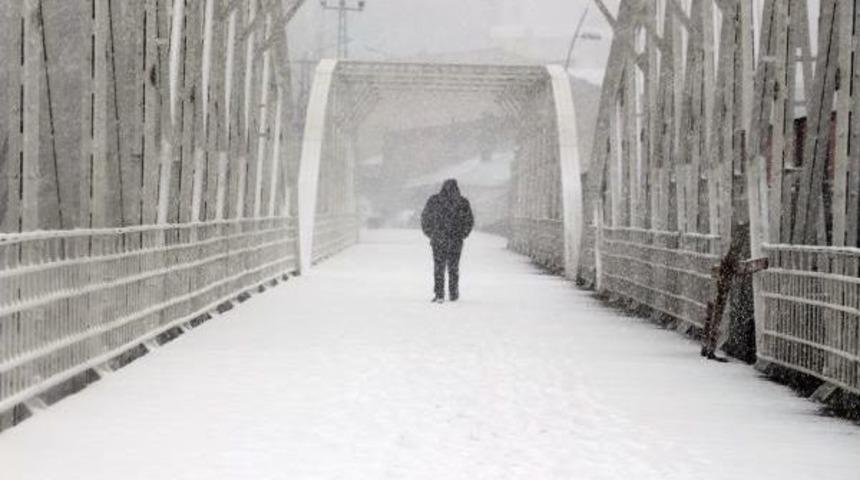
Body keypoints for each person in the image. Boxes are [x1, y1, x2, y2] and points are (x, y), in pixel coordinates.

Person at [420, 179, 474, 303]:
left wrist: (432, 234)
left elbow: (425, 219)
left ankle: (439, 293)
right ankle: (453, 293)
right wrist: (461, 235)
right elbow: (469, 222)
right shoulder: (462, 203)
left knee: (439, 267)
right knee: (453, 268)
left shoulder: (434, 201)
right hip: (455, 241)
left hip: (438, 240)